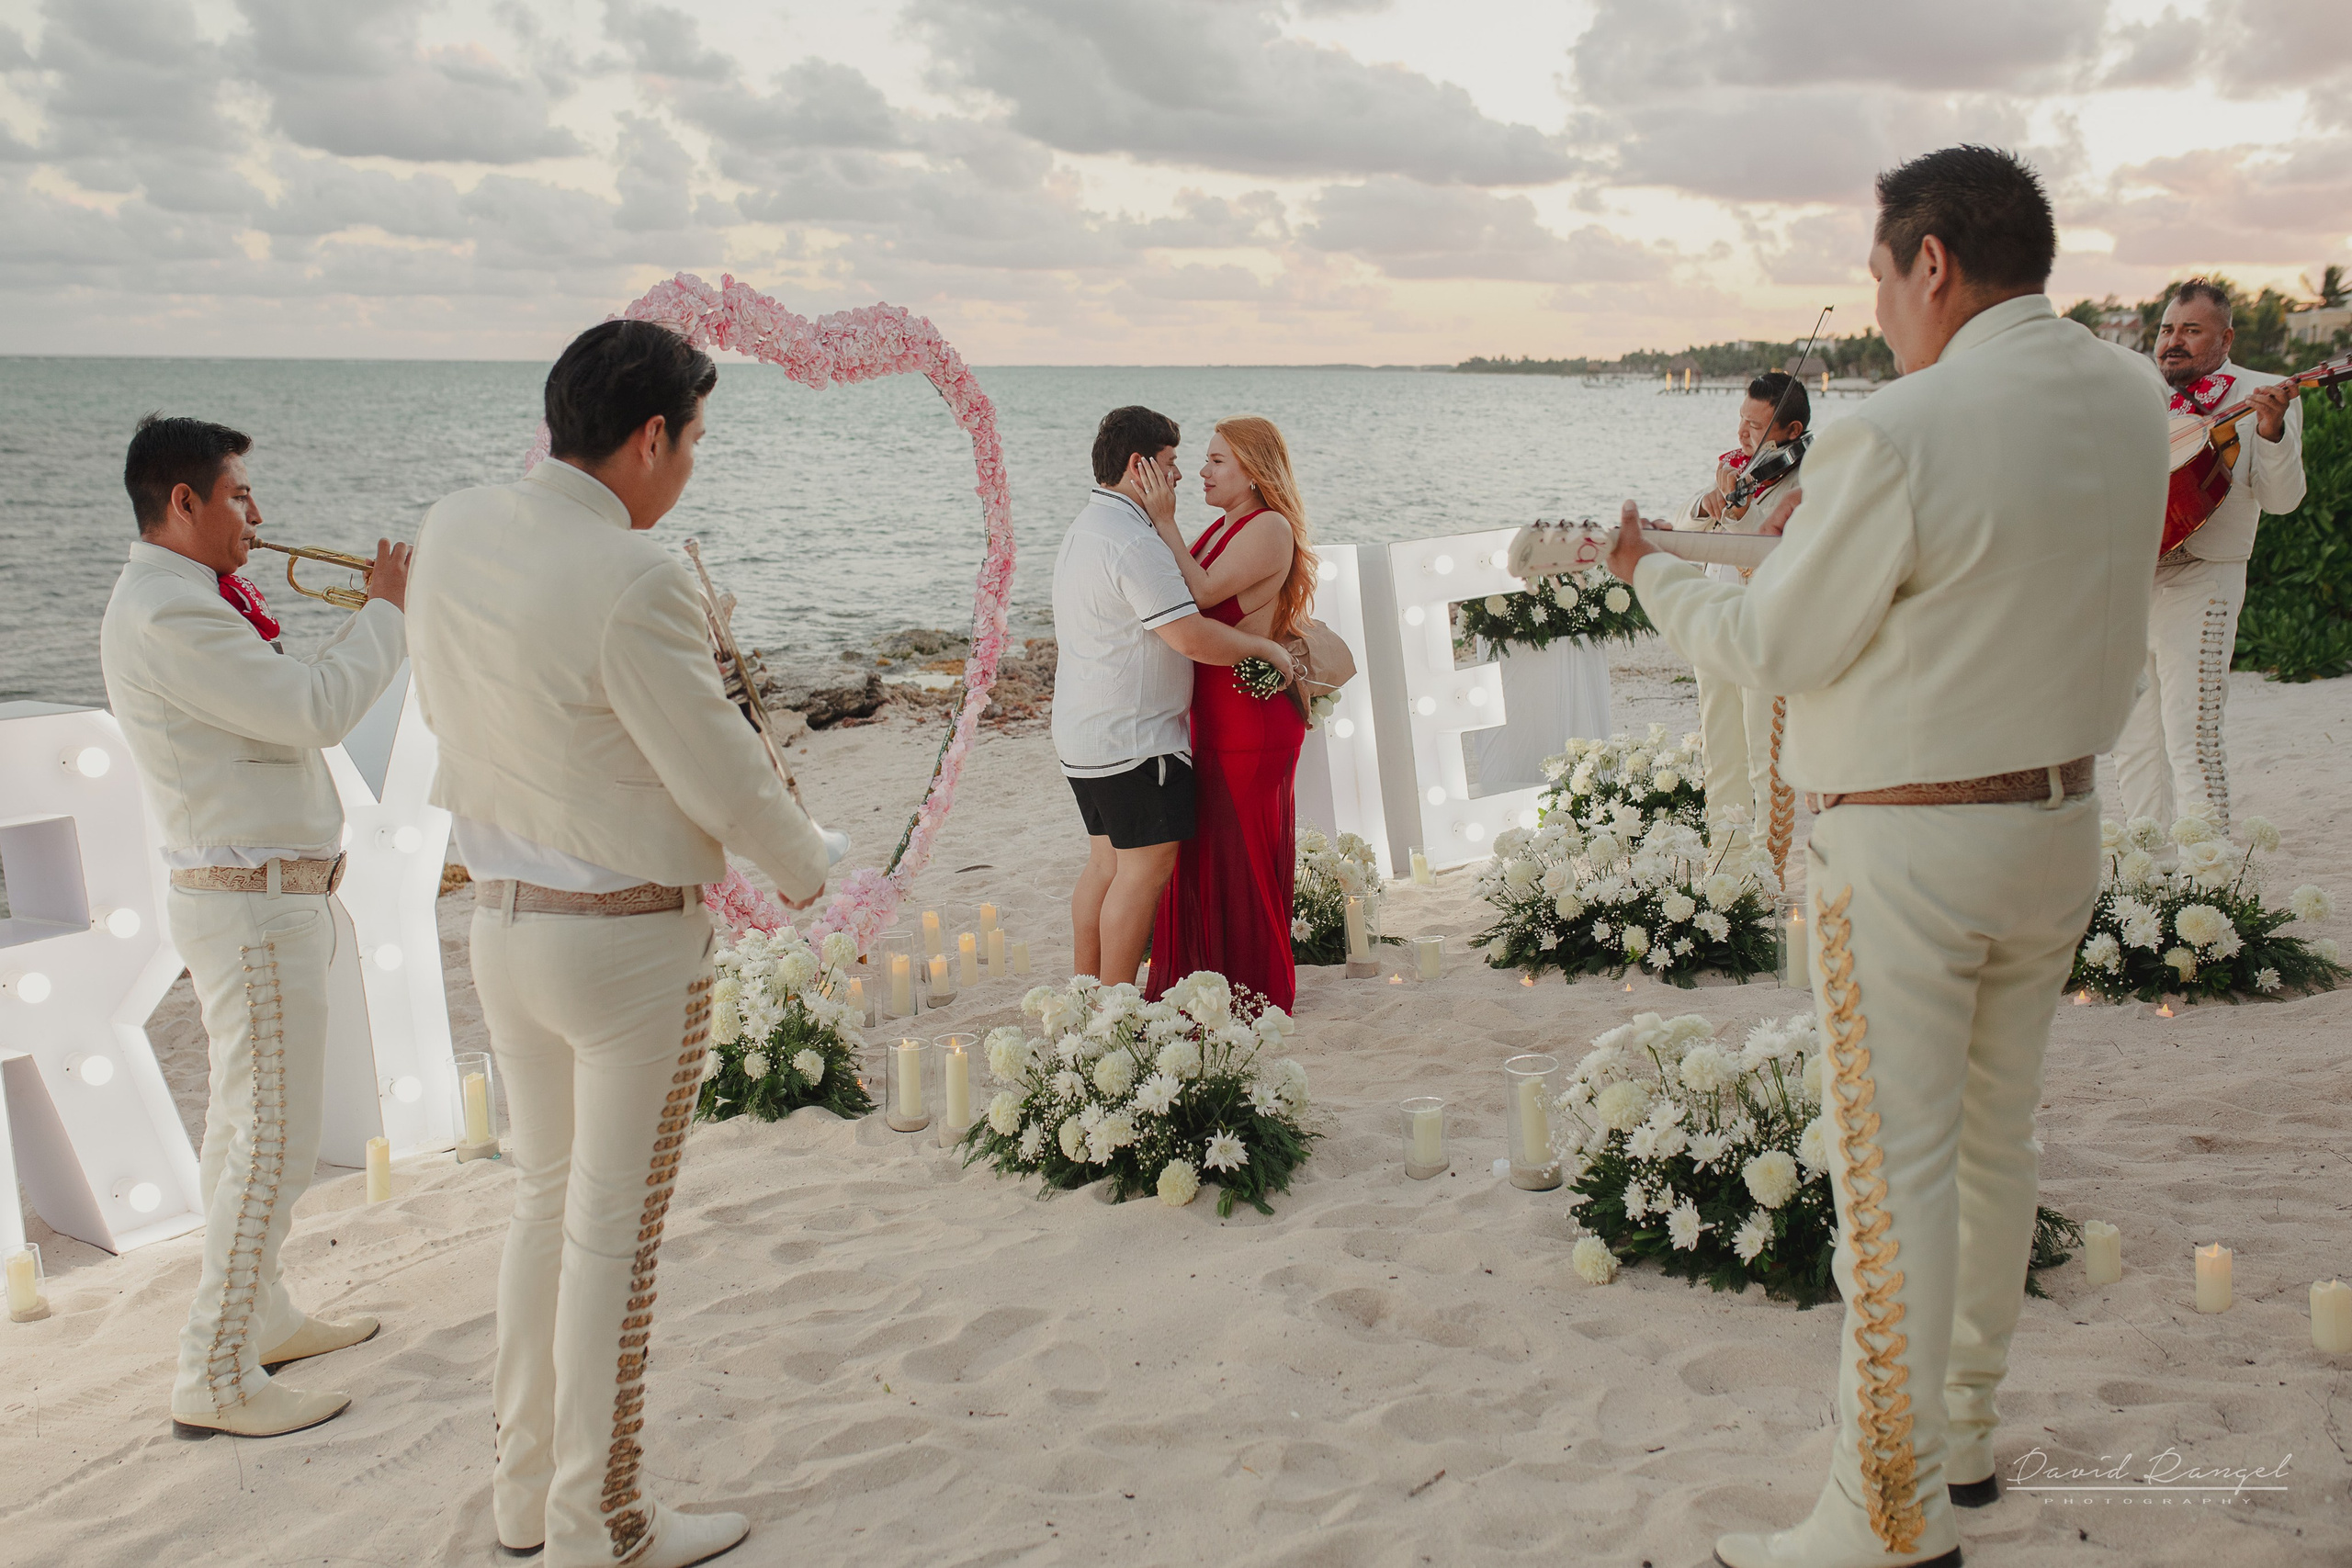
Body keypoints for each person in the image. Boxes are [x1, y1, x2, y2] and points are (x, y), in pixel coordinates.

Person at [1607, 145, 2165, 1568]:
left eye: (1879, 278)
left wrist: (1651, 573)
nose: (1876, 313)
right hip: (2058, 822)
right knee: (1992, 1147)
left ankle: (1883, 1513)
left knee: (1891, 1180)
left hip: (1912, 847)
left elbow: (1776, 644)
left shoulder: (1902, 429)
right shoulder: (2129, 392)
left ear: (1933, 262)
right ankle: (1959, 1437)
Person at [407, 320, 831, 1568]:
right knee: (611, 1235)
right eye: (694, 439)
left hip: (499, 921)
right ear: (650, 436)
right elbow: (725, 776)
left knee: (541, 1211)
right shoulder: (639, 575)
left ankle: (523, 1496)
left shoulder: (452, 526)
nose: (692, 465)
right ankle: (605, 1516)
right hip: (626, 948)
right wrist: (818, 874)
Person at [99, 415, 409, 1438]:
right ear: (182, 503)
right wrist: (383, 611)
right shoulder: (168, 615)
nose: (259, 515)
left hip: (262, 898)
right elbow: (317, 708)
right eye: (239, 495)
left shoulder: (186, 600)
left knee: (247, 1129)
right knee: (272, 1139)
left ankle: (261, 1313)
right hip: (250, 907)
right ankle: (217, 1372)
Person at [1051, 406, 1297, 988]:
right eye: (1171, 464)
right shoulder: (1132, 540)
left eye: (1209, 461)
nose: (1184, 475)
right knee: (1139, 873)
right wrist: (1270, 654)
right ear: (1141, 467)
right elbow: (1187, 633)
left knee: (1107, 867)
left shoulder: (1088, 527)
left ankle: (1088, 1004)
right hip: (1134, 738)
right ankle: (1111, 1011)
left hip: (1086, 733)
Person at [2113, 278, 2305, 832]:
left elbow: (2284, 501)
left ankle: (2209, 880)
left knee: (2192, 737)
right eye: (2168, 329)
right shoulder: (2138, 392)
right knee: (2133, 742)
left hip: (2204, 578)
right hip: (2132, 580)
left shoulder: (2267, 392)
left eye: (2191, 330)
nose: (2173, 341)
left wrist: (2271, 433)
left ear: (2226, 338)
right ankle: (2150, 878)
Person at [1141, 416, 1317, 1010]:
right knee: (1209, 847)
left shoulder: (1270, 526)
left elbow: (1204, 593)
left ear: (1253, 471)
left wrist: (1163, 521)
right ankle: (1208, 983)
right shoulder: (1225, 525)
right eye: (1206, 459)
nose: (1201, 471)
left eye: (1217, 461)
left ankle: (1253, 993)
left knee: (1238, 849)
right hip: (1214, 713)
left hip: (1250, 719)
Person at [1673, 373, 1811, 864]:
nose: (1744, 436)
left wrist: (1733, 514)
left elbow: (1773, 549)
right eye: (1741, 422)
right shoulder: (1737, 471)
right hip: (1715, 625)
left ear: (1792, 430)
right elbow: (1686, 527)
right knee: (1720, 748)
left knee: (1764, 757)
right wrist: (1708, 502)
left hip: (1761, 633)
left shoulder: (1804, 480)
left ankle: (1765, 874)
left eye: (1757, 426)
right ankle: (1726, 865)